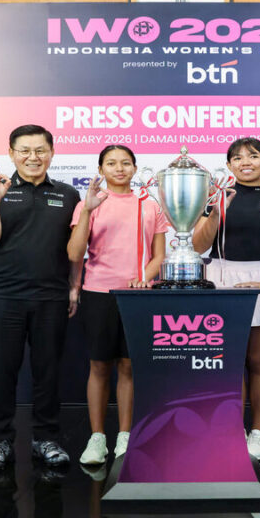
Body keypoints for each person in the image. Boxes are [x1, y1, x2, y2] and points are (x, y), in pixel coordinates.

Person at [0, 125, 81, 469]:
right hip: (3, 297)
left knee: (48, 372)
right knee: (2, 372)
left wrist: (74, 287)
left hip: (51, 297)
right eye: (24, 150)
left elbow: (76, 249)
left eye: (40, 150)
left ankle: (46, 438)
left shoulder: (68, 194)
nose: (33, 157)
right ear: (11, 153)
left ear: (51, 153)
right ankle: (0, 441)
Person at [191, 138, 260, 462]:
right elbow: (198, 246)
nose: (245, 162)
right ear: (228, 165)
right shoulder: (215, 197)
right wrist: (215, 213)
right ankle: (231, 430)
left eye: (253, 156)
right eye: (237, 158)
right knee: (230, 362)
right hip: (222, 279)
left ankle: (259, 432)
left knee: (259, 362)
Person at [67, 145, 168, 466]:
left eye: (125, 163)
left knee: (128, 367)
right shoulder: (88, 204)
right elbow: (74, 253)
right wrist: (87, 211)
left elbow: (159, 255)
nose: (119, 168)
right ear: (101, 169)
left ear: (135, 168)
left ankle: (125, 436)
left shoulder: (149, 205)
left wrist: (144, 278)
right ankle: (97, 438)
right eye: (111, 163)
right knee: (99, 366)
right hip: (99, 293)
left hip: (138, 295)